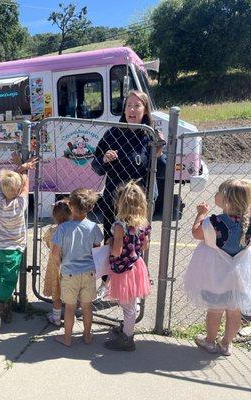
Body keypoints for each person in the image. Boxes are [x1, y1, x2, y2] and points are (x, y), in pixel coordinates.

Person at [184, 179, 251, 356]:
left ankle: (209, 341)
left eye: (219, 192)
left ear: (226, 200)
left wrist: (200, 214)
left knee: (215, 310)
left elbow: (196, 233)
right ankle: (226, 344)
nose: (215, 194)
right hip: (240, 276)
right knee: (234, 311)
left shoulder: (213, 222)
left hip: (215, 275)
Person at [91, 89, 162, 300]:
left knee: (136, 244)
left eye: (137, 105)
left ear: (145, 110)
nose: (132, 109)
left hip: (138, 204)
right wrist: (104, 159)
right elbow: (96, 166)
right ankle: (107, 282)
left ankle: (134, 285)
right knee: (111, 242)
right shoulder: (113, 133)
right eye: (129, 105)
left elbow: (156, 168)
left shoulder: (149, 135)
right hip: (114, 199)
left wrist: (158, 152)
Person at [0, 156, 38, 331]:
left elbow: (9, 184)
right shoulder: (21, 202)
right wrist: (25, 170)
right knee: (7, 283)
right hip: (12, 251)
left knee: (2, 281)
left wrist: (19, 167)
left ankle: (6, 309)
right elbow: (24, 186)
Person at [104, 181, 152, 352]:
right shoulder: (143, 223)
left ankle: (127, 338)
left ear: (119, 203)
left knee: (128, 306)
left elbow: (116, 251)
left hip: (123, 268)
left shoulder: (119, 225)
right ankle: (127, 329)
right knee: (130, 303)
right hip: (136, 266)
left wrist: (109, 245)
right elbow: (144, 246)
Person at [52, 189, 103, 347]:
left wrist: (60, 265)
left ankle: (67, 338)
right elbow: (97, 248)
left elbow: (55, 253)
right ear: (90, 208)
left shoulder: (63, 228)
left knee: (69, 308)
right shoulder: (93, 227)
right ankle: (87, 336)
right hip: (88, 273)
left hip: (69, 273)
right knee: (87, 307)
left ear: (71, 206)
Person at [43, 200, 72, 326]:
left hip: (55, 267)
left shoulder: (51, 231)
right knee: (69, 294)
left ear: (54, 216)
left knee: (56, 295)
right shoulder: (73, 231)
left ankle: (56, 318)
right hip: (70, 266)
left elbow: (48, 243)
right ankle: (68, 316)